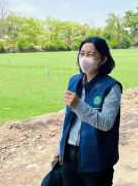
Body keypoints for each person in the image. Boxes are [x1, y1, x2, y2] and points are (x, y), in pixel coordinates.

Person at [53, 37, 122, 186]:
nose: (84, 58)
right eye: (82, 53)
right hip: (70, 155)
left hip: (97, 159)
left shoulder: (111, 87)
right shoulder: (74, 80)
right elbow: (68, 119)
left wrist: (78, 104)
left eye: (91, 55)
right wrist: (60, 148)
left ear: (103, 59)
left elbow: (106, 123)